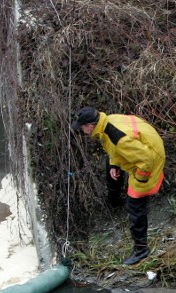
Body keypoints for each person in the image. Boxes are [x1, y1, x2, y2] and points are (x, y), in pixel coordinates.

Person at [71, 106, 166, 265]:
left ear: (90, 126)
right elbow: (114, 148)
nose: (82, 131)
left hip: (150, 161)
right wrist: (115, 164)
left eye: (82, 128)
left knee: (135, 204)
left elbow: (146, 160)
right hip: (144, 147)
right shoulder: (107, 122)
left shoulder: (117, 137)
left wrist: (140, 180)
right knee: (110, 163)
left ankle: (141, 249)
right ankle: (115, 202)